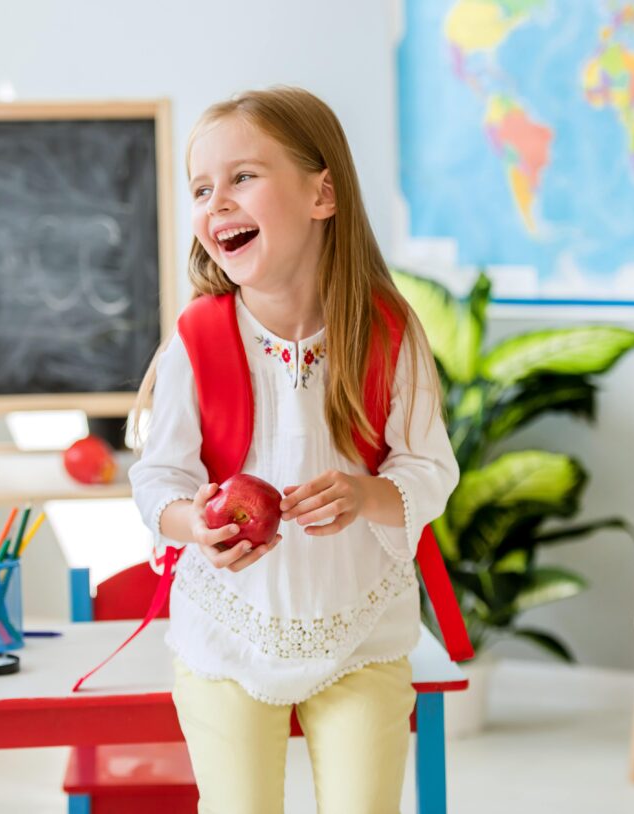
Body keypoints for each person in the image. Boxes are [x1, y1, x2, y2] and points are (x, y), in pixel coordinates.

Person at [128, 86, 461, 814]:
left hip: (359, 632)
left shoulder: (387, 332)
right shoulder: (198, 339)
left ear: (323, 193)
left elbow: (429, 468)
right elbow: (158, 478)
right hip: (227, 638)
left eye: (243, 176)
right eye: (202, 188)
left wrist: (368, 495)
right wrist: (198, 525)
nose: (217, 202)